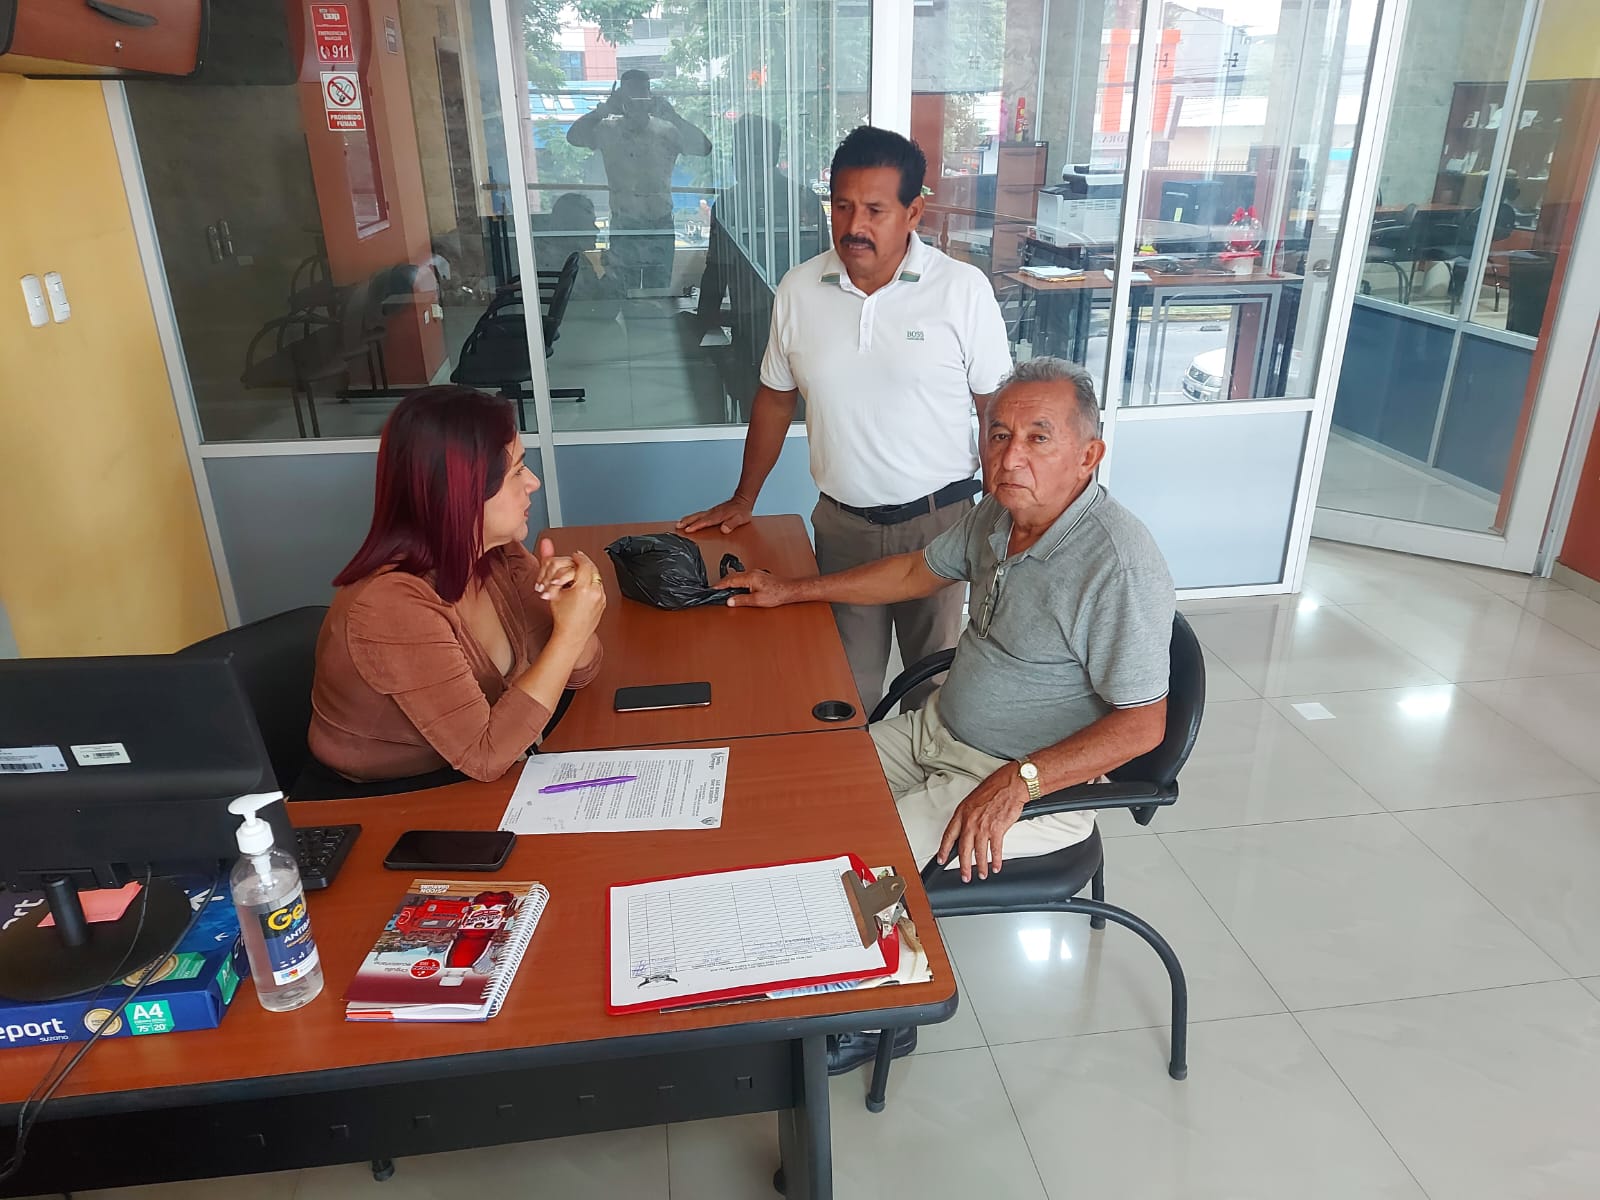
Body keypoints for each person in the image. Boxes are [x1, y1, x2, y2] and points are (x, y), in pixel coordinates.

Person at [680, 126, 1013, 712]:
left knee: (933, 693)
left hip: (938, 529)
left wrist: (1001, 516)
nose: (854, 225)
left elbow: (996, 412)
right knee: (841, 695)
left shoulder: (960, 290)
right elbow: (776, 396)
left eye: (875, 210)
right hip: (842, 529)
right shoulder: (800, 288)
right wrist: (744, 497)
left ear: (913, 212)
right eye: (842, 206)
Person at [308, 386, 606, 784]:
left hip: (471, 772)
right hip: (389, 799)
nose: (533, 482)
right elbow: (485, 756)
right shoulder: (389, 605)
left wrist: (570, 614)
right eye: (518, 471)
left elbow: (579, 673)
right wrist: (569, 634)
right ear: (464, 492)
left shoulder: (498, 553)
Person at [566, 69, 711, 291]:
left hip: (660, 223)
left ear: (650, 95)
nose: (636, 101)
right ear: (620, 96)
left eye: (641, 93)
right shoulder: (608, 130)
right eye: (630, 93)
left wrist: (671, 115)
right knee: (624, 290)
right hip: (624, 224)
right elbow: (573, 137)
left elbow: (704, 148)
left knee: (658, 291)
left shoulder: (667, 130)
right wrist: (603, 110)